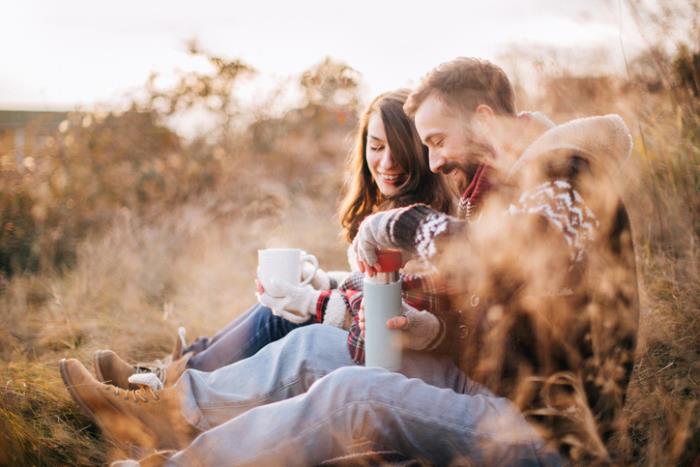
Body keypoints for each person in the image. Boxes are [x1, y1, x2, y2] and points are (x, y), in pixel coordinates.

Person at [63, 57, 639, 466]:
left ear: (485, 120)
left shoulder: (568, 177)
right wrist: (433, 328)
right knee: (314, 348)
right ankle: (160, 414)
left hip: (549, 434)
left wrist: (396, 224)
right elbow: (506, 322)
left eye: (437, 141)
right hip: (493, 389)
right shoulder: (509, 185)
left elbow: (509, 262)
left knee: (352, 394)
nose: (432, 161)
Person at [90, 88, 454, 390]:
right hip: (368, 339)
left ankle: (169, 382)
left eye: (400, 150)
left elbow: (389, 309)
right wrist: (321, 281)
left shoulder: (415, 222)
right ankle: (180, 366)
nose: (387, 162)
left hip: (395, 357)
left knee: (280, 316)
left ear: (420, 152)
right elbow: (366, 284)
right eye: (376, 147)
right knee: (280, 303)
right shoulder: (383, 205)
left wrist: (313, 300)